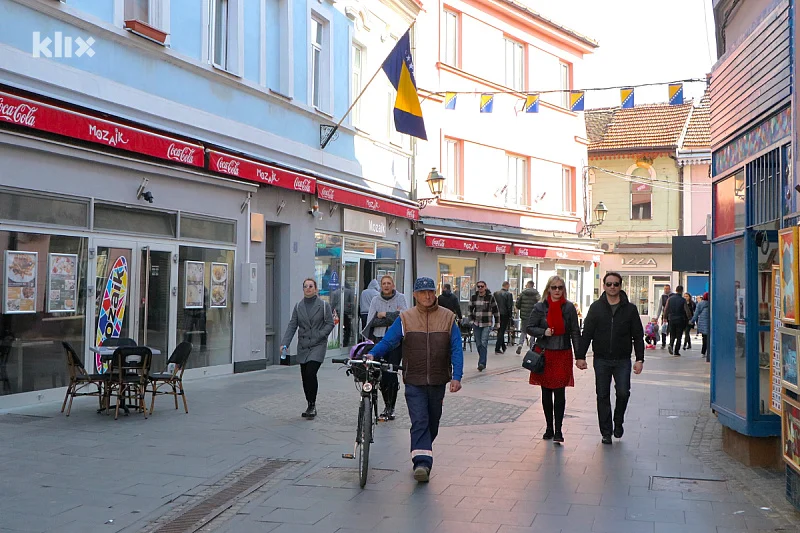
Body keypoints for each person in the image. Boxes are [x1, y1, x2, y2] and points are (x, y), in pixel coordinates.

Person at [368, 276, 463, 482]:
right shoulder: (406, 318)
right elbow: (389, 341)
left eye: (430, 292)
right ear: (415, 295)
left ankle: (423, 450)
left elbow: (456, 348)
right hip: (414, 379)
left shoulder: (448, 317)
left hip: (438, 379)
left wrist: (457, 376)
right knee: (420, 420)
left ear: (435, 293)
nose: (427, 296)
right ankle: (421, 463)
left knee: (433, 423)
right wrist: (372, 354)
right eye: (422, 292)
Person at [576, 272, 644, 444]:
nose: (612, 287)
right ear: (604, 286)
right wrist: (580, 356)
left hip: (622, 359)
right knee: (602, 395)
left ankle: (618, 421)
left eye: (615, 284)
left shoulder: (630, 309)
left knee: (623, 392)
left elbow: (638, 335)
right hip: (601, 359)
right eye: (609, 284)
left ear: (620, 286)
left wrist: (639, 359)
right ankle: (606, 432)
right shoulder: (596, 308)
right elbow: (587, 333)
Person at [525, 275, 581, 444]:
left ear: (564, 289)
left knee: (560, 392)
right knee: (546, 392)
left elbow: (575, 332)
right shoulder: (540, 307)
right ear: (548, 289)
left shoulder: (569, 307)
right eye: (554, 287)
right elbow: (529, 327)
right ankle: (549, 427)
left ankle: (558, 430)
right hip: (545, 353)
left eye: (560, 287)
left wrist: (580, 356)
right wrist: (543, 332)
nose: (557, 290)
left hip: (562, 353)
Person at [280, 278, 335, 419]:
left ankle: (312, 404)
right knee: (305, 376)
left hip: (318, 344)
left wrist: (320, 334)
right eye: (305, 286)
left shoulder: (323, 305)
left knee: (311, 372)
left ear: (315, 289)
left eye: (311, 286)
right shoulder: (299, 306)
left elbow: (330, 323)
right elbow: (292, 325)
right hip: (303, 345)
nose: (308, 288)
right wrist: (285, 343)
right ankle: (309, 403)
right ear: (303, 289)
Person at [363, 275, 408, 420]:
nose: (386, 286)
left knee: (391, 372)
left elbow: (404, 319)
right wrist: (393, 316)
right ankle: (386, 404)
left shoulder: (400, 298)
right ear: (380, 286)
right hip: (379, 340)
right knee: (381, 374)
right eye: (384, 283)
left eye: (389, 283)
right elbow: (372, 321)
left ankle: (391, 407)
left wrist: (384, 315)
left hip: (396, 343)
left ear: (393, 285)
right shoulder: (375, 300)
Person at [469, 281, 500, 371]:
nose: (480, 288)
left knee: (483, 342)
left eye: (482, 286)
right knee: (478, 343)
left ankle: (482, 363)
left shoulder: (490, 297)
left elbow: (496, 311)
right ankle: (482, 360)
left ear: (485, 287)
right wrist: (471, 321)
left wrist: (497, 323)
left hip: (487, 323)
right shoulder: (474, 297)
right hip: (476, 323)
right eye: (478, 286)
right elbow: (470, 310)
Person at [515, 281, 541, 353]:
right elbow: (540, 304)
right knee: (532, 332)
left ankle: (520, 344)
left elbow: (518, 304)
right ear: (533, 285)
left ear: (527, 285)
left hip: (524, 316)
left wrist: (520, 307)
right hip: (533, 316)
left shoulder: (522, 294)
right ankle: (531, 347)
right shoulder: (537, 294)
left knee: (523, 331)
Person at [666, 285, 691, 356]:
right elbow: (687, 310)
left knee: (672, 334)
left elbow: (666, 309)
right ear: (682, 291)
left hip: (671, 319)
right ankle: (676, 351)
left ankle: (671, 344)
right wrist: (690, 318)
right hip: (680, 319)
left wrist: (665, 317)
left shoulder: (670, 299)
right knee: (679, 336)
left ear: (676, 290)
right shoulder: (683, 300)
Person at [493, 281, 514, 354]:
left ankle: (503, 346)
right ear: (507, 286)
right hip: (505, 314)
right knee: (502, 331)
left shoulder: (496, 293)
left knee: (499, 330)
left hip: (497, 314)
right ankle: (497, 348)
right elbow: (509, 306)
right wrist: (510, 316)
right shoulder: (509, 294)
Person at [690, 291, 710, 362]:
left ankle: (703, 352)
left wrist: (692, 321)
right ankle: (710, 352)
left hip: (703, 323)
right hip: (711, 323)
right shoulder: (713, 303)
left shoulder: (700, 304)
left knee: (704, 338)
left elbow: (696, 313)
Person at [655, 284, 672, 349]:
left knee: (671, 329)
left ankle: (671, 343)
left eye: (667, 289)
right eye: (665, 289)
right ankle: (663, 343)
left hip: (671, 315)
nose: (666, 290)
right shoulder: (662, 297)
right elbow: (660, 307)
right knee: (663, 330)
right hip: (664, 315)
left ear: (669, 289)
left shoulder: (672, 296)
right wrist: (657, 317)